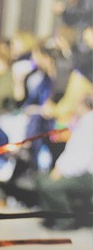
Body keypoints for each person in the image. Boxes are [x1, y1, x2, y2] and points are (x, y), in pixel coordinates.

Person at [36, 94, 93, 230]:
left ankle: (65, 220)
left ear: (84, 106)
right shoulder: (83, 122)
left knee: (50, 186)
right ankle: (52, 216)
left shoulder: (89, 124)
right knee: (41, 179)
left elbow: (82, 159)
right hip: (76, 172)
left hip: (86, 176)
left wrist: (61, 171)